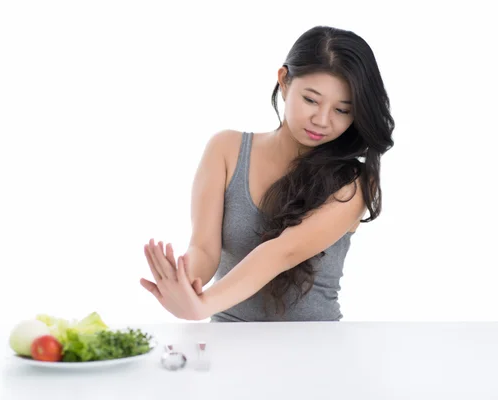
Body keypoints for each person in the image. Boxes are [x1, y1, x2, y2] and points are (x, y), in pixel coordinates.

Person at [140, 25, 395, 322]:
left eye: (342, 110)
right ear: (284, 81)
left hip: (316, 350)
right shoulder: (226, 148)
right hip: (229, 340)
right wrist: (184, 281)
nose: (322, 120)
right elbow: (204, 247)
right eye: (311, 100)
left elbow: (283, 251)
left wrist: (202, 305)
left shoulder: (356, 182)